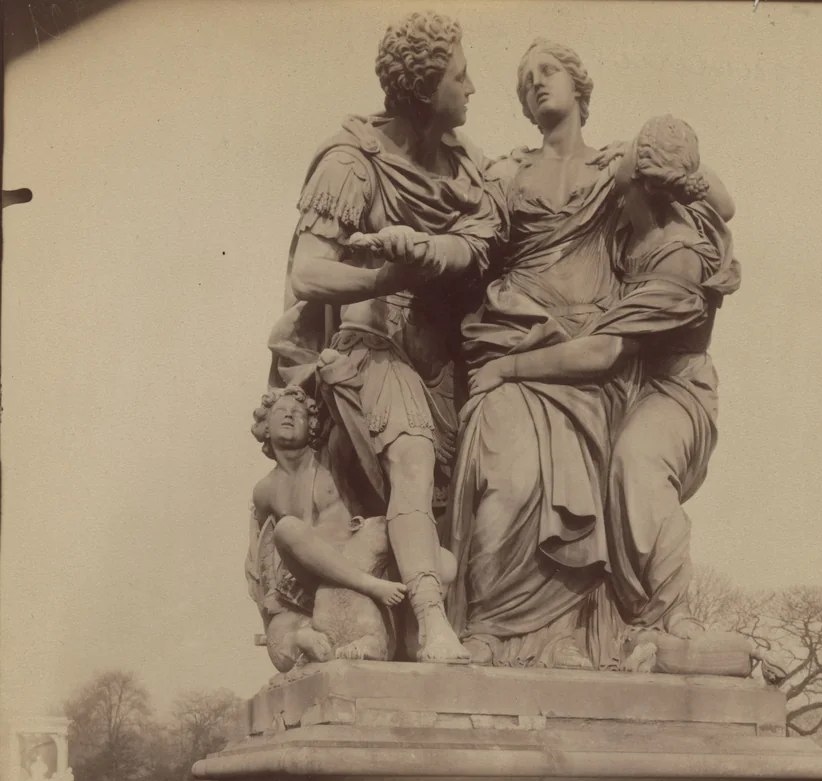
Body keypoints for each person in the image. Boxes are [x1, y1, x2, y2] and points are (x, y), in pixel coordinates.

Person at [267, 12, 502, 664]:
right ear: (427, 90)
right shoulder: (351, 162)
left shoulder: (469, 169)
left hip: (445, 357)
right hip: (368, 349)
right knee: (411, 452)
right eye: (460, 75)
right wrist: (387, 272)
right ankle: (430, 624)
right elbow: (308, 272)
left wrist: (433, 251)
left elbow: (487, 238)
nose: (473, 88)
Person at [469, 115, 739, 668]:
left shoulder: (680, 255)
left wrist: (510, 369)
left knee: (635, 462)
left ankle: (667, 615)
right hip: (623, 381)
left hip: (672, 392)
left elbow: (603, 352)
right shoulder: (623, 227)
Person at [444, 39, 625, 670]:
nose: (535, 84)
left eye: (547, 72)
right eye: (524, 81)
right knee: (513, 480)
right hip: (510, 336)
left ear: (579, 84)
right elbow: (467, 246)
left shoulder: (615, 170)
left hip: (585, 358)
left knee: (575, 491)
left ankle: (562, 637)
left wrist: (661, 155)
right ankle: (488, 625)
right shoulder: (503, 173)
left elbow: (713, 197)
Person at [247, 386, 404, 671]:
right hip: (312, 576)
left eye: (298, 413)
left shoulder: (331, 458)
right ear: (264, 427)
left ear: (312, 424)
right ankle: (308, 636)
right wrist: (272, 604)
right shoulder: (265, 490)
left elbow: (350, 427)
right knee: (288, 530)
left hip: (360, 557)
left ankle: (368, 597)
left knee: (442, 562)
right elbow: (263, 552)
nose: (290, 416)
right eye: (280, 412)